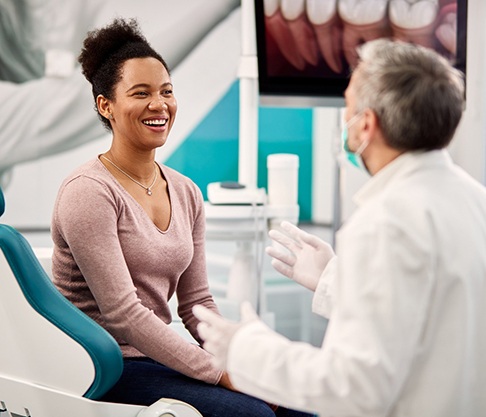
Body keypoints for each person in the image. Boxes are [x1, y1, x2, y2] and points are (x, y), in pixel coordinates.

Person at [194, 38, 486, 416]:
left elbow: (353, 386)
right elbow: (433, 318)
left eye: (347, 107)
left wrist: (247, 349)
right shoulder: (475, 201)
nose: (343, 122)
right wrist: (336, 281)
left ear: (366, 125)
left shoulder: (385, 222)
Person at [51, 18, 312, 417]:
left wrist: (238, 357)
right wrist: (220, 373)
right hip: (102, 366)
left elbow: (197, 303)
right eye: (141, 93)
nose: (159, 105)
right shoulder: (88, 192)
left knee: (301, 404)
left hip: (157, 358)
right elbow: (124, 315)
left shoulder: (186, 190)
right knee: (252, 415)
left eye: (166, 92)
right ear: (106, 105)